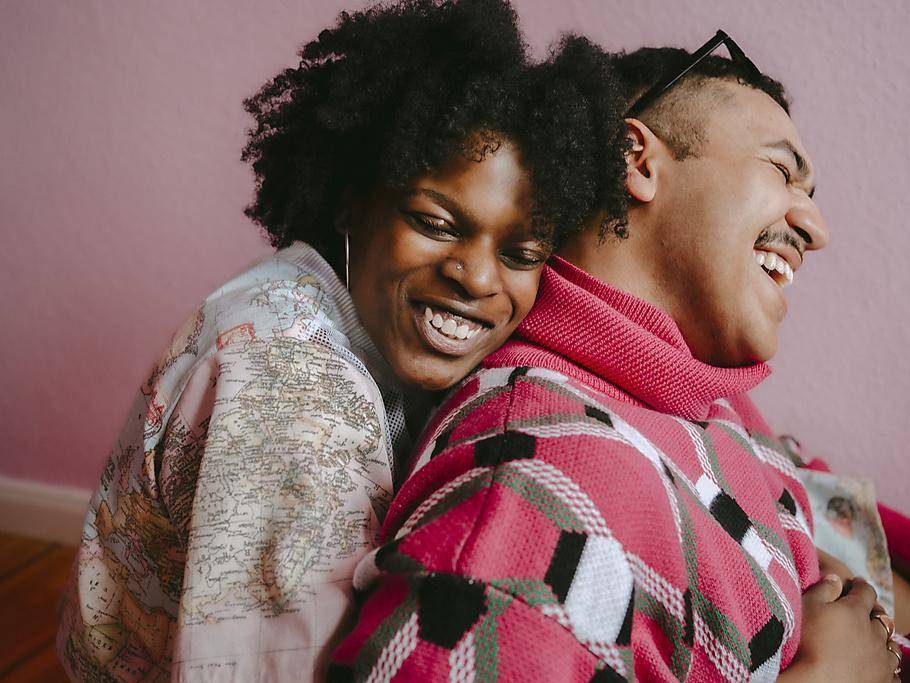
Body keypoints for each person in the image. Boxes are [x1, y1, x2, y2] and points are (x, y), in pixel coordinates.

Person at [328, 34, 910, 681]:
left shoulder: (681, 381)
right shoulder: (535, 483)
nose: (817, 227)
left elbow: (797, 472)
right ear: (638, 160)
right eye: (782, 171)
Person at [55, 1, 628, 680]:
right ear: (351, 201)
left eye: (522, 251)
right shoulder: (299, 399)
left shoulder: (309, 296)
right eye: (434, 221)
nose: (476, 276)